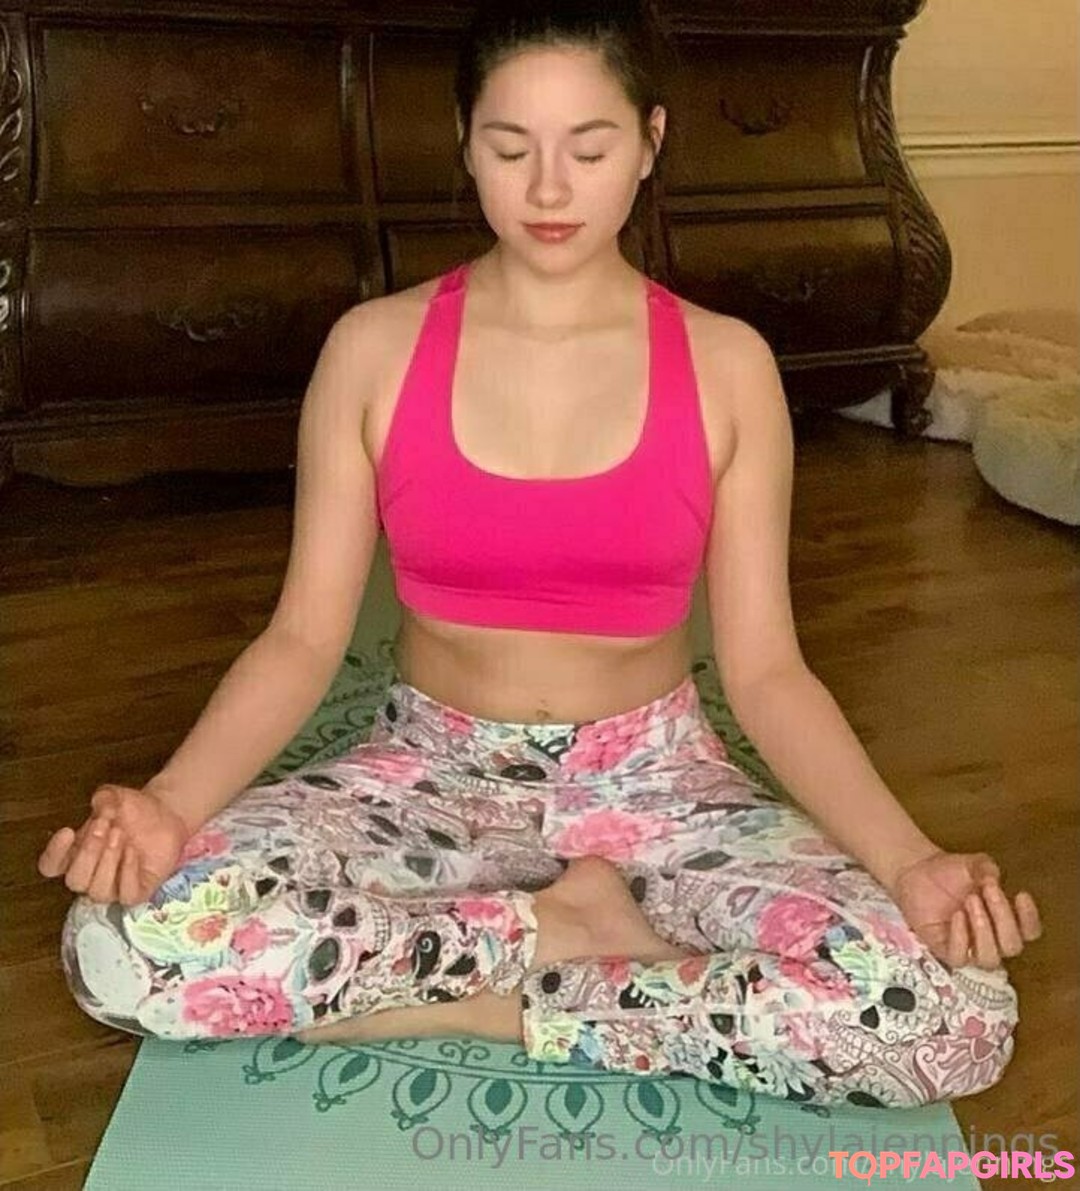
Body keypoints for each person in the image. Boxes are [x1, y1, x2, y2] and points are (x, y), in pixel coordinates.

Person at [38, 0, 1041, 1109]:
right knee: (122, 940)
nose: (550, 190)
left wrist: (911, 862)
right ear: (467, 144)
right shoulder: (373, 351)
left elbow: (766, 673)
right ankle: (554, 935)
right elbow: (303, 639)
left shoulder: (728, 366)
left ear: (651, 142)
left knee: (957, 1013)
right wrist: (169, 806)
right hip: (430, 772)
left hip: (657, 781)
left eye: (590, 149)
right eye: (512, 149)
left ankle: (478, 995)